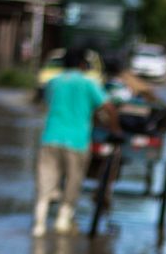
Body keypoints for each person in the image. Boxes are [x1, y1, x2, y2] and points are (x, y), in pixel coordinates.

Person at [33, 46, 117, 237]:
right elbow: (108, 107)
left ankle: (39, 224)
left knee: (45, 181)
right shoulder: (88, 84)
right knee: (73, 180)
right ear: (82, 64)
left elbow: (46, 104)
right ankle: (63, 220)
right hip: (77, 141)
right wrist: (115, 129)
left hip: (51, 137)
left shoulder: (53, 82)